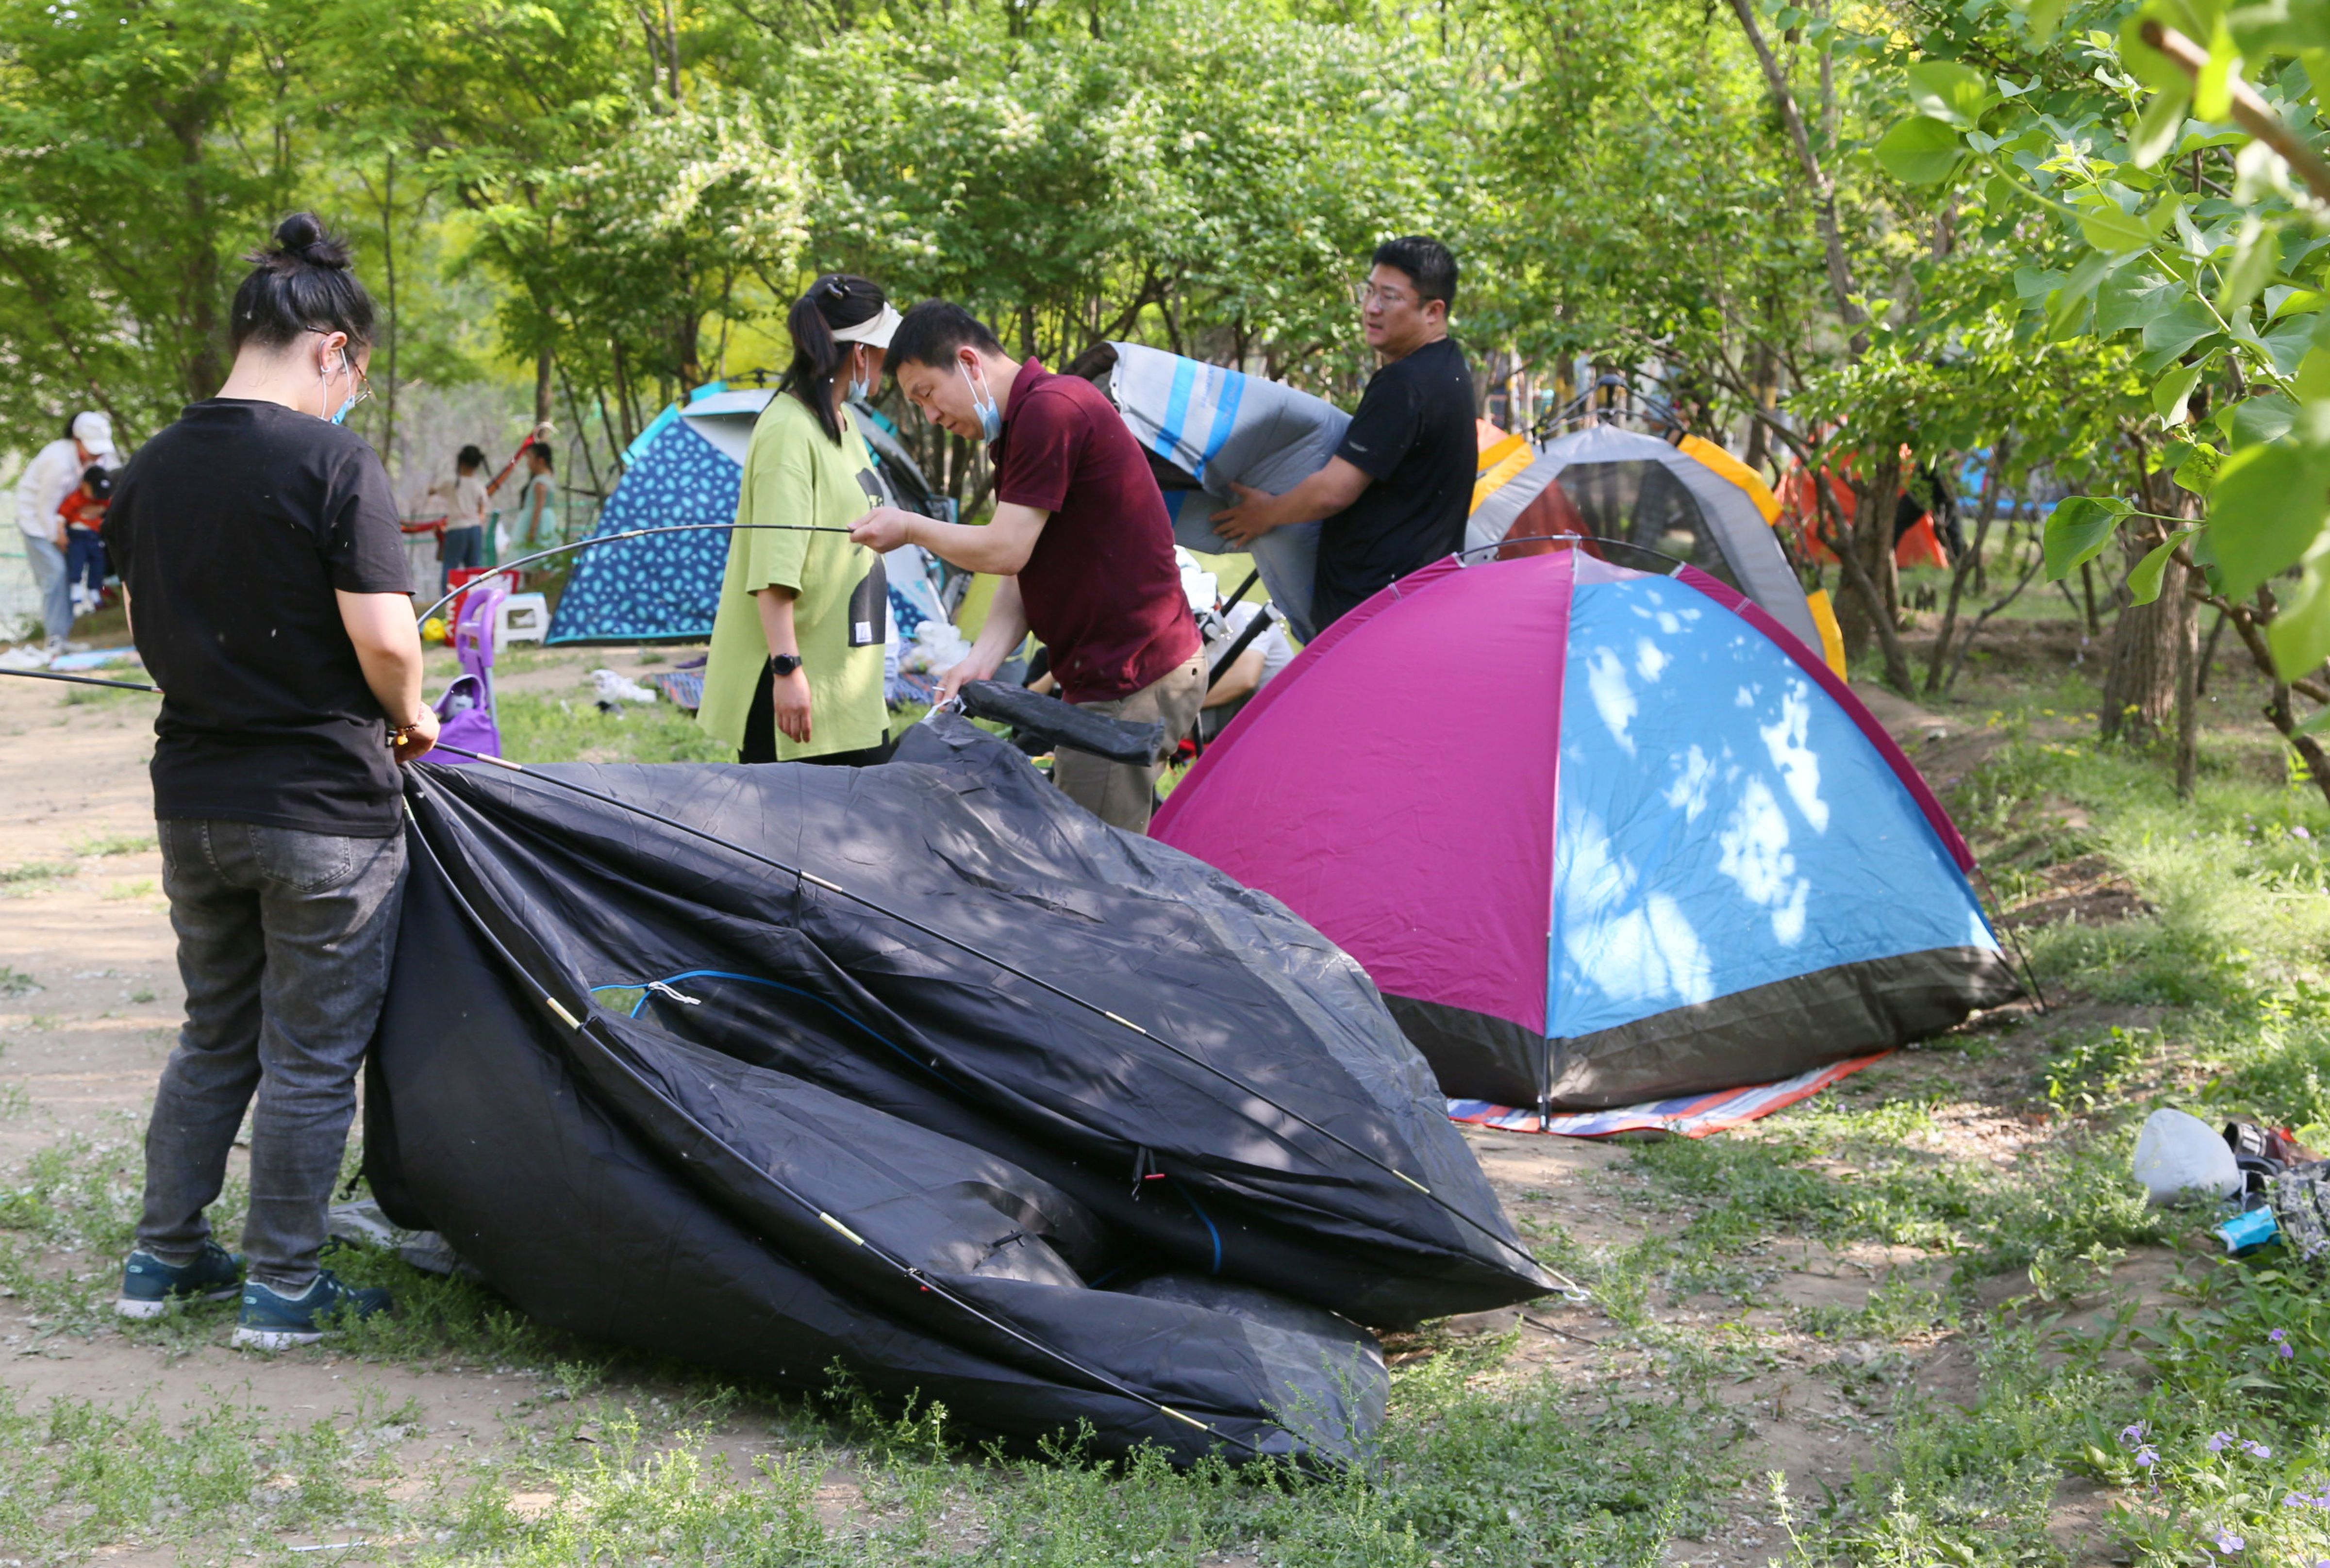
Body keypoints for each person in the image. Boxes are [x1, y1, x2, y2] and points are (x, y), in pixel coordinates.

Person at [104, 211, 439, 1350]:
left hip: (192, 796)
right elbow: (389, 641)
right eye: (357, 369)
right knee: (308, 1055)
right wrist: (412, 713)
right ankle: (282, 1287)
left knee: (214, 1032)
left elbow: (148, 628)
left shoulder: (148, 469)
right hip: (321, 814)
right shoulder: (334, 460)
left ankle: (164, 1258)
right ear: (332, 349)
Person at [849, 302, 1202, 834]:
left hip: (1133, 676)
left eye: (927, 395)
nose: (932, 417)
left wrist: (910, 527)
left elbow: (1005, 549)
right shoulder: (1018, 430)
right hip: (1108, 675)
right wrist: (981, 659)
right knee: (1093, 841)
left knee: (1090, 867)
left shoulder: (1052, 409)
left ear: (969, 363)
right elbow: (1023, 567)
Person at [1212, 236, 1477, 629]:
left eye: (1389, 297)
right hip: (1416, 601)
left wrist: (1265, 514)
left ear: (1433, 311)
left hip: (1374, 610)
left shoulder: (1404, 383)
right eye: (1369, 291)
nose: (1371, 307)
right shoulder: (1449, 367)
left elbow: (1334, 490)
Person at [699, 274, 899, 766]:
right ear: (859, 353)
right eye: (883, 350)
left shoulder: (841, 422)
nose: (888, 363)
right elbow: (774, 566)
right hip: (801, 694)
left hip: (847, 688)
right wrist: (787, 670)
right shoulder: (789, 431)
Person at [13, 411, 115, 657]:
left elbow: (110, 487)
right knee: (56, 576)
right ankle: (54, 640)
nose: (97, 454)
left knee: (71, 574)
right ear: (76, 439)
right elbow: (44, 508)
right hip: (37, 523)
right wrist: (59, 539)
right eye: (92, 448)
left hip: (71, 524)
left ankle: (62, 637)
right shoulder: (57, 461)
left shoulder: (101, 459)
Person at [56, 464, 113, 619]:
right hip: (77, 536)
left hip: (95, 537)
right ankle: (76, 589)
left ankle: (95, 591)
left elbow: (110, 505)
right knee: (77, 562)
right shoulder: (75, 498)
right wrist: (61, 533)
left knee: (98, 563)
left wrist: (101, 511)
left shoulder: (102, 500)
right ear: (84, 485)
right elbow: (62, 516)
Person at [435, 445, 489, 592]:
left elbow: (433, 490)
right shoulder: (479, 486)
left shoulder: (451, 482)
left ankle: (447, 598)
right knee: (474, 568)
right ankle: (474, 595)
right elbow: (482, 512)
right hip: (475, 529)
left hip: (456, 529)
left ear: (461, 462)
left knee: (450, 566)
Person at [499, 443, 559, 568]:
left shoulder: (540, 482)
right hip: (546, 521)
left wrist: (532, 530)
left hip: (537, 522)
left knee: (535, 558)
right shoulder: (548, 479)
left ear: (541, 460)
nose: (528, 463)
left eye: (530, 458)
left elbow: (539, 506)